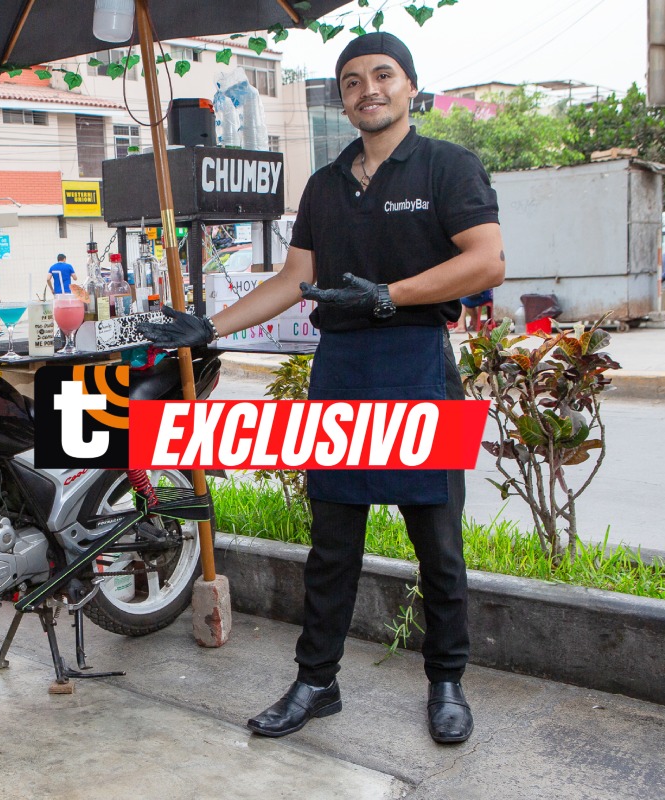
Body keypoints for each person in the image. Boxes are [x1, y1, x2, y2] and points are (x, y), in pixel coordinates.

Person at [139, 33, 504, 745]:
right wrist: (206, 328)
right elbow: (288, 280)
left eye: (383, 75)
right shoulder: (325, 186)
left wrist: (391, 296)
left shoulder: (446, 166)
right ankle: (317, 681)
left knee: (438, 545)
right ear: (341, 98)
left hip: (418, 365)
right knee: (332, 545)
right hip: (342, 369)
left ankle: (448, 682)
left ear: (410, 86)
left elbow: (486, 260)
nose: (368, 89)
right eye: (352, 81)